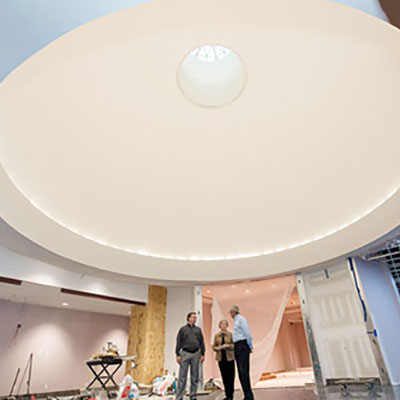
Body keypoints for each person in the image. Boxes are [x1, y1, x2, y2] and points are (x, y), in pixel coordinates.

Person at [175, 312, 205, 400]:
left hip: (196, 354)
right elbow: (178, 342)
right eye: (193, 317)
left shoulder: (198, 330)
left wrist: (203, 353)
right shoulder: (183, 329)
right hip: (185, 353)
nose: (195, 319)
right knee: (182, 376)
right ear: (188, 318)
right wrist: (178, 354)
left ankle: (193, 396)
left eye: (196, 317)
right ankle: (179, 396)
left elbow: (202, 342)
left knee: (195, 376)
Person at [230, 305, 254, 400]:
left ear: (233, 312)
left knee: (244, 371)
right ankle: (247, 395)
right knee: (241, 371)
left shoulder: (241, 319)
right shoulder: (236, 321)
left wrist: (250, 345)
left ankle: (249, 396)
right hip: (237, 346)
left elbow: (247, 333)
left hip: (242, 345)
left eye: (231, 312)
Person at [212, 319, 235, 400]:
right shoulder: (217, 335)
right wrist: (218, 348)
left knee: (231, 376)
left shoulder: (230, 334)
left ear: (227, 326)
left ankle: (231, 395)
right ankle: (227, 394)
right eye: (222, 324)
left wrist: (228, 346)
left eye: (225, 324)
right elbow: (213, 347)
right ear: (220, 325)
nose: (223, 326)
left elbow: (234, 345)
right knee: (224, 376)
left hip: (229, 358)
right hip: (221, 358)